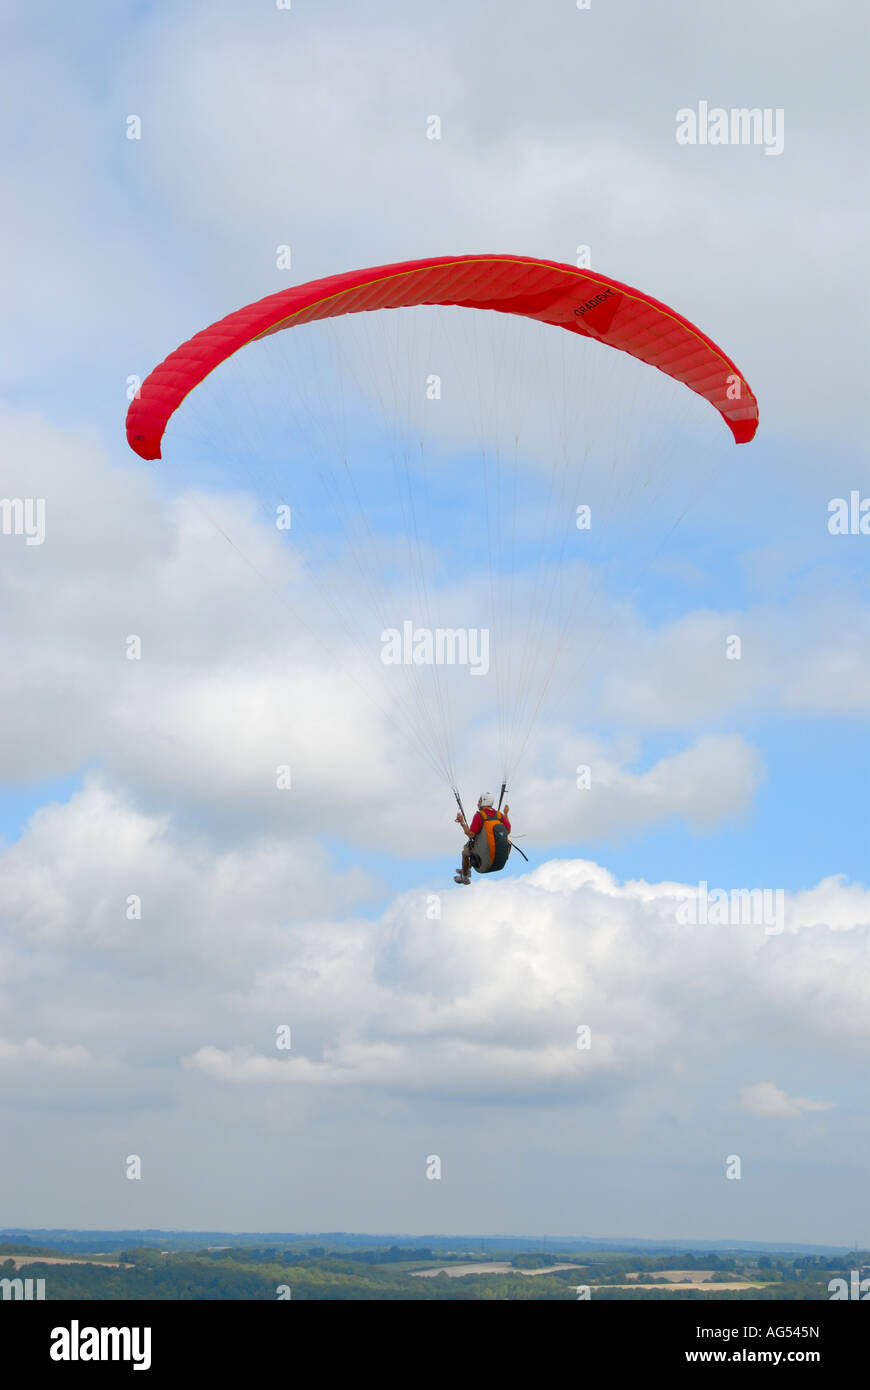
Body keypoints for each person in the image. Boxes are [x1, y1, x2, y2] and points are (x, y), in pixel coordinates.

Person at [454, 794, 511, 884]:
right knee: (474, 846)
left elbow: (471, 835)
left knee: (465, 852)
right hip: (498, 861)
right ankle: (467, 869)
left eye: (479, 801)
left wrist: (462, 822)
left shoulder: (479, 816)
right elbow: (508, 831)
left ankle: (465, 877)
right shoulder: (500, 815)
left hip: (485, 858)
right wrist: (506, 814)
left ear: (484, 802)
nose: (477, 803)